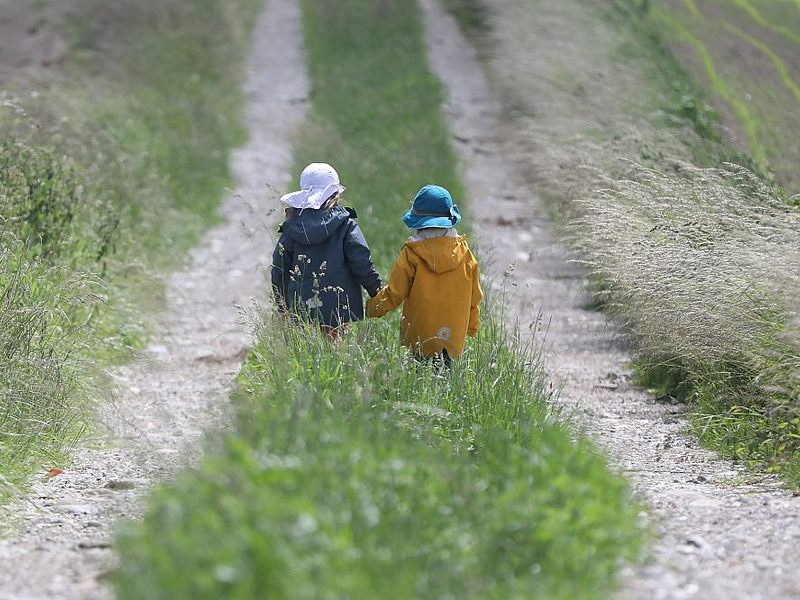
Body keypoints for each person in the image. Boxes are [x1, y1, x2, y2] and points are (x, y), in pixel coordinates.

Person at [366, 184, 483, 366]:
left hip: (420, 334)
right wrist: (472, 325)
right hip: (453, 334)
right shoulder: (465, 253)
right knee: (445, 380)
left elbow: (395, 292)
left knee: (419, 377)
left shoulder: (412, 253)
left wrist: (372, 308)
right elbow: (474, 296)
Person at [271, 163, 381, 339]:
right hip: (338, 305)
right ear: (335, 194)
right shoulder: (346, 225)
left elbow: (279, 266)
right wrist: (377, 290)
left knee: (306, 350)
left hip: (301, 306)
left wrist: (282, 304)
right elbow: (361, 261)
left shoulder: (293, 227)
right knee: (334, 348)